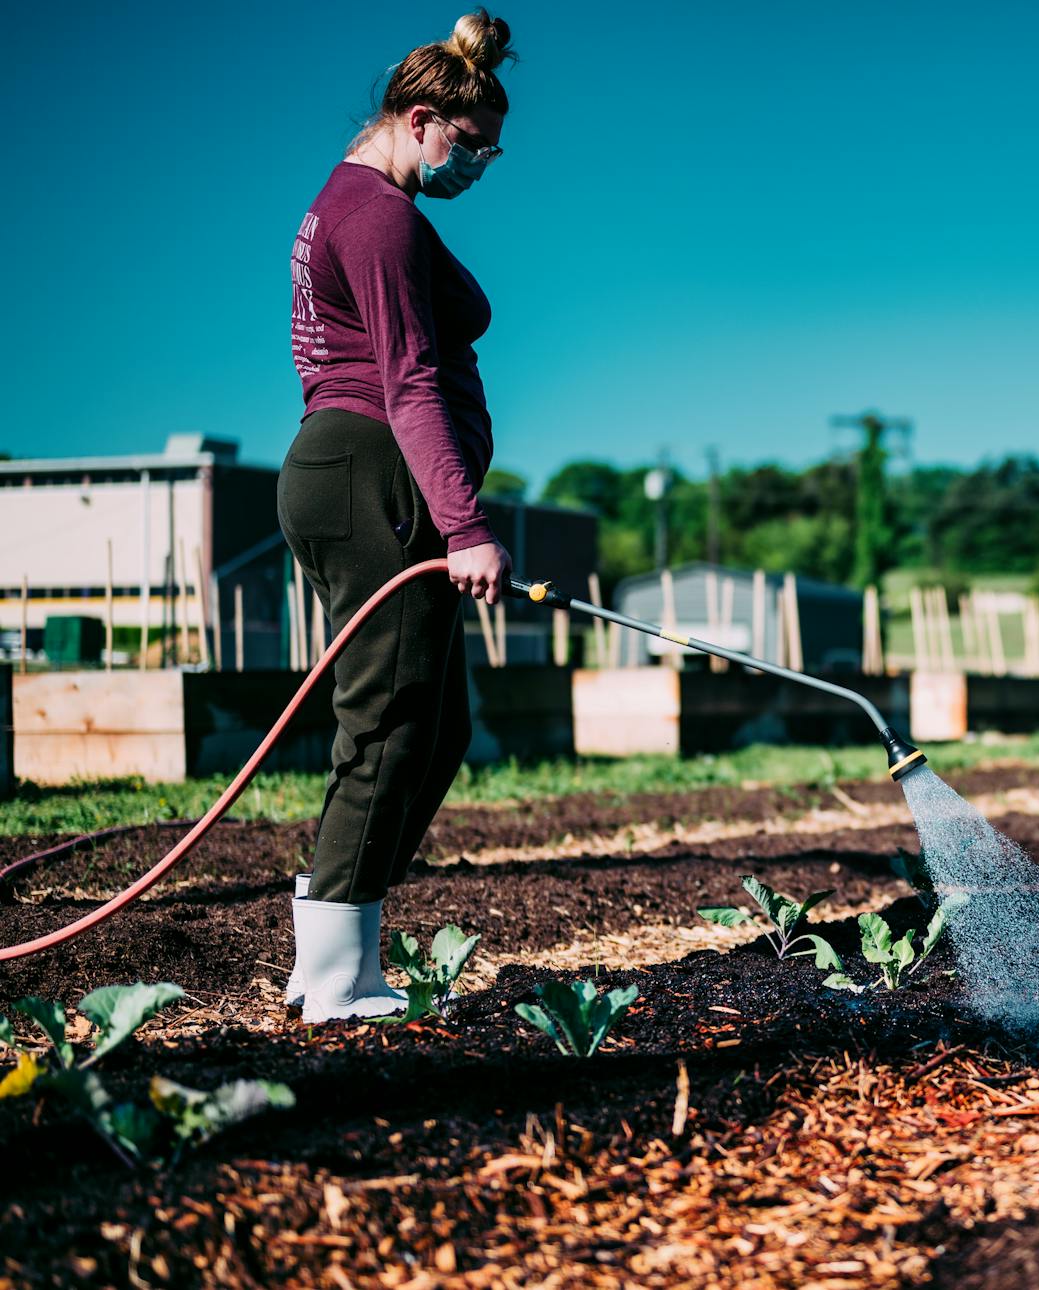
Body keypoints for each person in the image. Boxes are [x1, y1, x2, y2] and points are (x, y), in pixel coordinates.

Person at [278, 9, 517, 1022]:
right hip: (369, 471)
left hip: (368, 473)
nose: (478, 170)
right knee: (390, 720)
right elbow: (408, 380)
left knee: (439, 724)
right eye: (470, 147)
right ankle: (335, 977)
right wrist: (463, 523)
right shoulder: (372, 213)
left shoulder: (363, 208)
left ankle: (329, 943)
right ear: (421, 120)